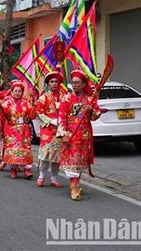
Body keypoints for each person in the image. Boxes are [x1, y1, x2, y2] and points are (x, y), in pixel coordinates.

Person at [57, 69, 101, 201]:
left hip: (85, 134)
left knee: (81, 161)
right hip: (71, 134)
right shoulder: (66, 98)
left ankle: (76, 182)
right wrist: (63, 135)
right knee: (72, 161)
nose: (75, 85)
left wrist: (91, 110)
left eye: (77, 82)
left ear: (83, 84)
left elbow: (96, 115)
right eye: (73, 82)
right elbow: (61, 118)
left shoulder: (90, 99)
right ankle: (74, 185)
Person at [2, 80, 36, 179]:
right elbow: (3, 114)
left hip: (24, 130)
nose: (17, 93)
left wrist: (34, 105)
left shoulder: (26, 102)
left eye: (19, 91)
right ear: (11, 92)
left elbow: (33, 116)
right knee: (13, 148)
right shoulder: (7, 102)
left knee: (25, 148)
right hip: (11, 129)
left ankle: (27, 170)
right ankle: (13, 169)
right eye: (15, 91)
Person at [36, 72, 64, 188]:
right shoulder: (43, 97)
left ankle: (53, 178)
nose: (54, 84)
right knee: (45, 154)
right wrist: (50, 121)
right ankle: (41, 176)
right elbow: (38, 113)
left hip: (60, 130)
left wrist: (61, 110)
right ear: (48, 83)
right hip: (47, 130)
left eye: (56, 82)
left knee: (57, 156)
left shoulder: (64, 97)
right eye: (52, 82)